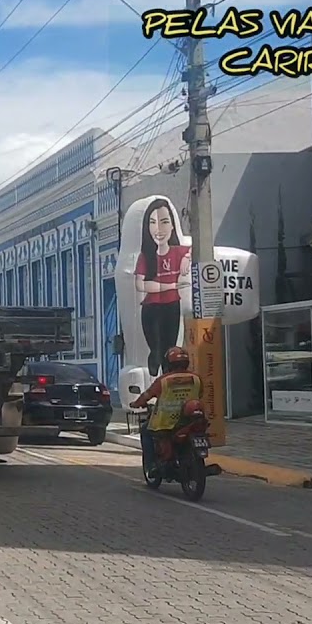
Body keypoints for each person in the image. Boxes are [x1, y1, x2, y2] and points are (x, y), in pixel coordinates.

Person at [133, 198, 191, 376]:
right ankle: (154, 373)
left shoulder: (178, 251)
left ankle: (167, 381)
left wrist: (186, 258)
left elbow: (197, 246)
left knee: (169, 351)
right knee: (156, 350)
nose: (159, 229)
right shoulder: (145, 256)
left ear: (172, 225)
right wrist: (171, 285)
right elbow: (140, 284)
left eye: (164, 222)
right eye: (153, 223)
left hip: (172, 306)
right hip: (151, 309)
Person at [130, 346, 202, 476]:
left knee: (145, 431)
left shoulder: (163, 381)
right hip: (189, 420)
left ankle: (151, 466)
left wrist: (136, 403)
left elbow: (147, 395)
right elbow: (200, 394)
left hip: (165, 421)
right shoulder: (196, 378)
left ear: (169, 363)